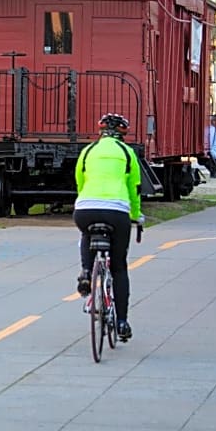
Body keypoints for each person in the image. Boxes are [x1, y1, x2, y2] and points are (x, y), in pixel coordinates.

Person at [74, 113, 142, 342]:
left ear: (100, 133)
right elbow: (135, 189)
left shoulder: (88, 151)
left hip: (85, 208)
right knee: (119, 267)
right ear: (123, 135)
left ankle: (86, 271)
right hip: (117, 211)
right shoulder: (127, 153)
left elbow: (80, 182)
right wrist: (136, 215)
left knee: (86, 232)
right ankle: (122, 322)